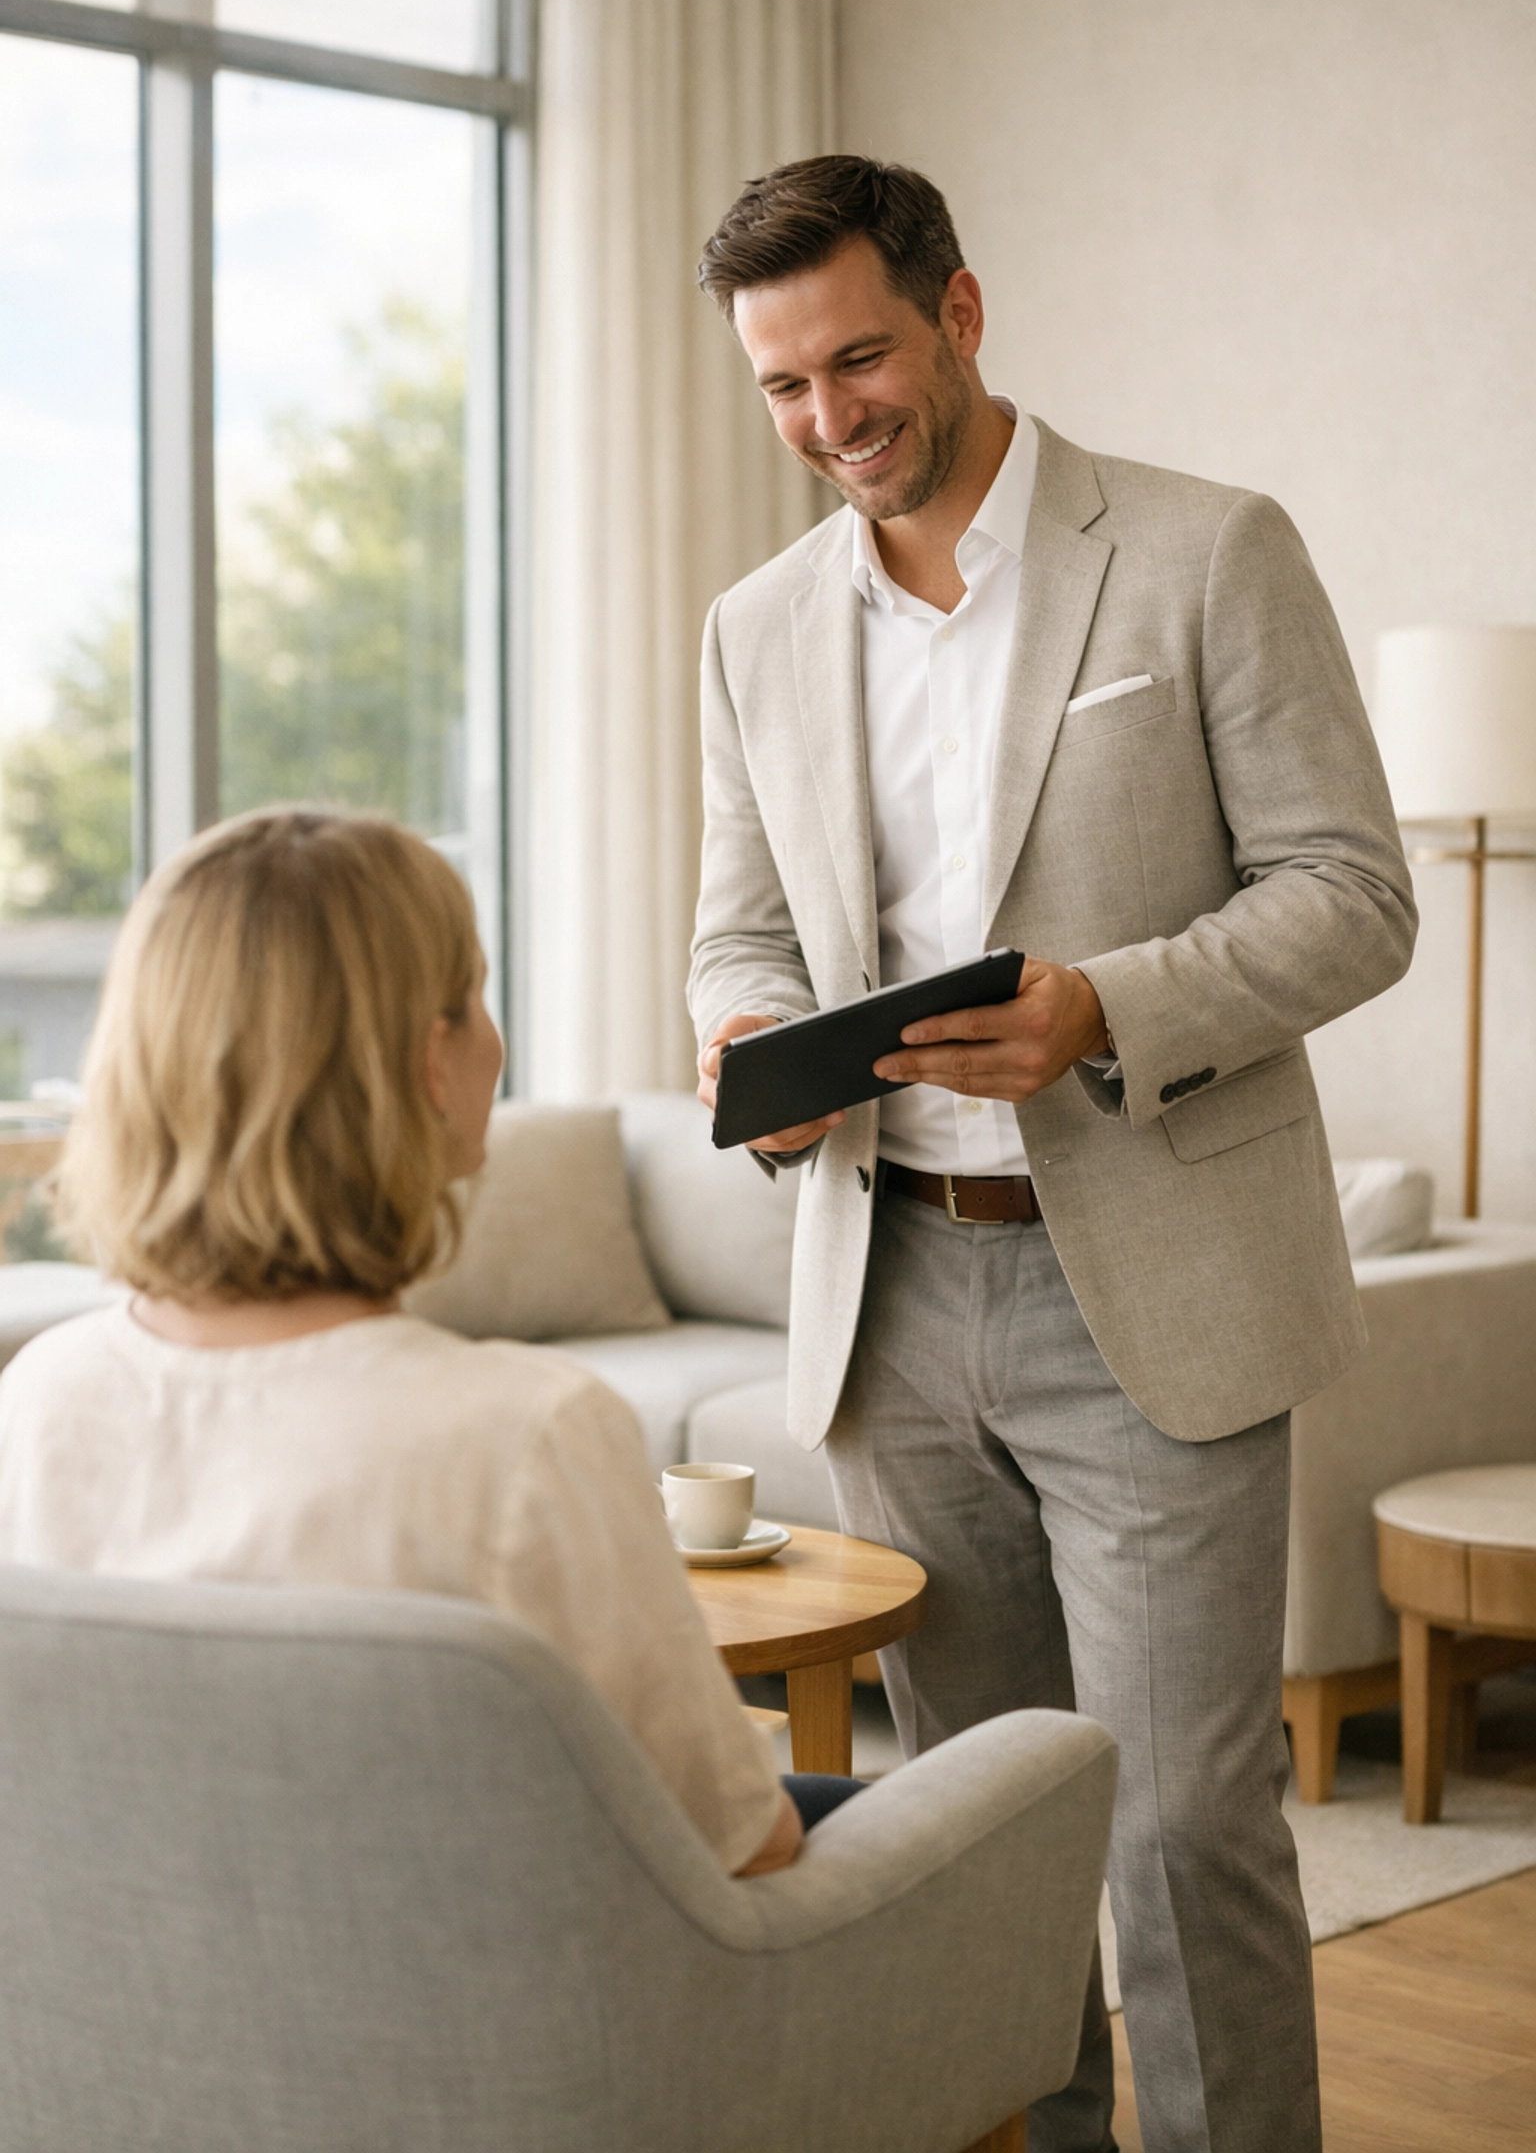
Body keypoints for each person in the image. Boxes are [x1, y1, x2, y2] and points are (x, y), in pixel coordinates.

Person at [689, 156, 1417, 2151]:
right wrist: (745, 1037)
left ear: (962, 312)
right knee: (989, 1827)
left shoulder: (1200, 553)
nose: (829, 419)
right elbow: (738, 930)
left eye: (859, 358)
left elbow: (1357, 896)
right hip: (891, 1291)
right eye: (782, 386)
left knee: (1179, 1826)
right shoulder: (753, 629)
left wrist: (1110, 1006)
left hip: (1153, 1291)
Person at [0, 806, 832, 1876]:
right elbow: (740, 1839)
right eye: (476, 996)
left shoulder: (37, 1401)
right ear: (433, 1064)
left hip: (132, 2020)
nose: (496, 1039)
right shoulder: (529, 1435)